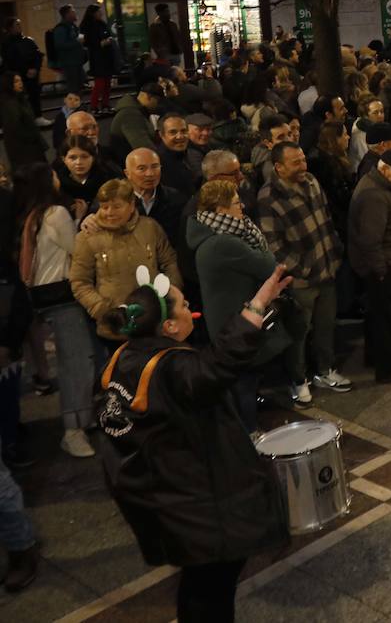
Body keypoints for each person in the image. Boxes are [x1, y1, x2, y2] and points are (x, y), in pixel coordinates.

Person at [97, 264, 292, 620]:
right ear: (169, 326)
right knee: (211, 591)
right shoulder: (174, 368)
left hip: (164, 500)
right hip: (198, 506)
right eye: (185, 305)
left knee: (199, 583)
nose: (192, 311)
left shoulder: (124, 358)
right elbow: (217, 366)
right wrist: (258, 304)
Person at [185, 179, 285, 428]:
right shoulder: (223, 242)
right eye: (235, 203)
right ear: (220, 210)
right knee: (243, 382)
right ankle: (248, 434)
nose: (241, 206)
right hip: (235, 324)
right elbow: (268, 265)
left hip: (229, 321)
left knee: (245, 380)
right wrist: (266, 252)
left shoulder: (216, 234)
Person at [17, 162, 97, 458]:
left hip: (42, 296)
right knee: (77, 362)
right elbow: (77, 249)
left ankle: (81, 421)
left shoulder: (34, 215)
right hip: (63, 296)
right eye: (53, 175)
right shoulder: (57, 213)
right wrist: (80, 219)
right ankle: (73, 429)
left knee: (75, 359)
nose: (58, 178)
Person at [257, 142, 350, 399]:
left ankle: (324, 370)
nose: (303, 166)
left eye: (303, 160)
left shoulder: (311, 181)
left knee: (325, 326)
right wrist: (304, 269)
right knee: (299, 334)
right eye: (296, 163)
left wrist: (335, 252)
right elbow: (273, 245)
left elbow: (326, 219)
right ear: (279, 167)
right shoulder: (269, 197)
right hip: (301, 281)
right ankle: (298, 380)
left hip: (327, 270)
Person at [69, 179, 182, 354]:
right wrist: (104, 310)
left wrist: (170, 297)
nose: (109, 212)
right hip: (116, 329)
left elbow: (169, 261)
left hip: (156, 322)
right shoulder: (87, 237)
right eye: (104, 206)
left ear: (131, 205)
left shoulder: (149, 227)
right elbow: (79, 282)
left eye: (116, 206)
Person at [349, 148, 391, 384]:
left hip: (380, 264)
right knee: (382, 318)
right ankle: (388, 369)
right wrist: (380, 270)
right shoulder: (374, 195)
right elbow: (371, 239)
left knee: (379, 317)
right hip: (380, 267)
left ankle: (377, 357)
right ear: (386, 169)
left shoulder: (377, 185)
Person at [2, 17, 45, 125]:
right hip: (17, 75)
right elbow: (10, 60)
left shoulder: (28, 40)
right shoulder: (6, 44)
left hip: (32, 74)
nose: (20, 27)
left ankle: (38, 117)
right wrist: (25, 70)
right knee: (18, 99)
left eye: (20, 24)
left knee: (34, 96)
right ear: (10, 28)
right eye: (17, 25)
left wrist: (35, 68)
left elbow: (38, 55)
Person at [0, 72, 47, 169]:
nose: (20, 83)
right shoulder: (9, 104)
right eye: (16, 81)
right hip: (24, 148)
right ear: (8, 84)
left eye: (20, 81)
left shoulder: (20, 99)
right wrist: (32, 138)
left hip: (31, 145)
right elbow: (14, 128)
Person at [80, 4, 118, 116]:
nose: (100, 14)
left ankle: (106, 104)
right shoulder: (86, 26)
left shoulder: (102, 24)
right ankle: (94, 106)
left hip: (107, 56)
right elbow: (84, 42)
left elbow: (108, 34)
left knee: (107, 83)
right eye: (98, 12)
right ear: (92, 13)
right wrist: (100, 43)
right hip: (97, 57)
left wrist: (109, 39)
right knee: (99, 83)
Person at [51, 4, 86, 96]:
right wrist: (77, 42)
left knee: (80, 86)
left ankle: (78, 106)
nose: (75, 13)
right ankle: (72, 108)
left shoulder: (73, 26)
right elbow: (60, 45)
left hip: (77, 62)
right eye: (72, 12)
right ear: (67, 14)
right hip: (69, 63)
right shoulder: (61, 28)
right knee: (73, 88)